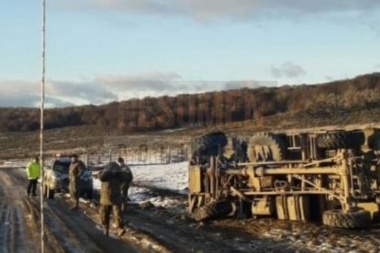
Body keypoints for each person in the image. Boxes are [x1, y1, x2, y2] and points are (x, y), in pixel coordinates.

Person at [99, 161, 129, 236]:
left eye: (115, 169)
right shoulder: (104, 174)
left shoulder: (118, 176)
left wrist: (120, 171)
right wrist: (107, 170)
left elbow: (126, 178)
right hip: (105, 198)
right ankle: (105, 228)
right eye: (112, 169)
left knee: (118, 214)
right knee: (104, 215)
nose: (113, 170)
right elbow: (101, 178)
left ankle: (120, 228)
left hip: (116, 197)